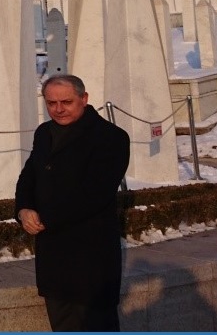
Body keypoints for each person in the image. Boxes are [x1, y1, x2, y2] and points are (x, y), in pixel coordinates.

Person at [15, 74, 131, 331]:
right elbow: (29, 176)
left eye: (66, 102)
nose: (58, 109)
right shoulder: (44, 132)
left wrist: (44, 217)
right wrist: (23, 209)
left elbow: (95, 194)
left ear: (84, 99)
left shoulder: (111, 137)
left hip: (91, 258)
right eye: (51, 103)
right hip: (53, 256)